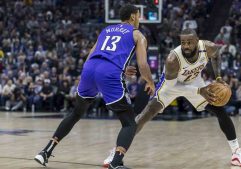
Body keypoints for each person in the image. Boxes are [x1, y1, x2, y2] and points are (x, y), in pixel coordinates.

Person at [104, 28, 241, 167]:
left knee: (219, 110)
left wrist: (218, 76)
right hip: (171, 86)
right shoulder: (172, 59)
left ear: (197, 41)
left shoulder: (208, 47)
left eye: (189, 42)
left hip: (194, 82)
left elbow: (216, 56)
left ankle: (237, 153)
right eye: (183, 42)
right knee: (145, 115)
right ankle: (116, 152)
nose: (186, 46)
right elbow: (171, 87)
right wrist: (199, 91)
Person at [34, 4, 155, 169]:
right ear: (133, 16)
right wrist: (150, 81)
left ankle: (45, 151)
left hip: (89, 69)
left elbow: (91, 56)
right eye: (139, 16)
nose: (139, 20)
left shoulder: (106, 31)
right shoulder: (137, 35)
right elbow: (142, 64)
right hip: (108, 73)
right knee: (129, 122)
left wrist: (116, 68)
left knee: (76, 112)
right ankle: (116, 163)